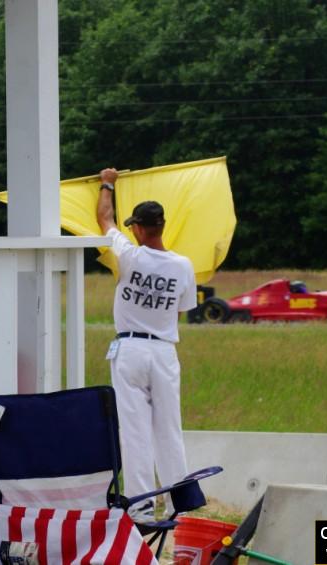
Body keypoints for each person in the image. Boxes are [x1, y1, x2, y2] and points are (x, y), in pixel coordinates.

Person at [95, 167, 198, 522]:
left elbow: (104, 218)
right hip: (165, 350)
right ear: (163, 226)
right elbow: (181, 311)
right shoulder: (184, 266)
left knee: (134, 429)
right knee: (169, 427)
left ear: (138, 228)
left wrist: (107, 182)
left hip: (130, 349)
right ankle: (179, 503)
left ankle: (140, 505)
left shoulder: (130, 255)